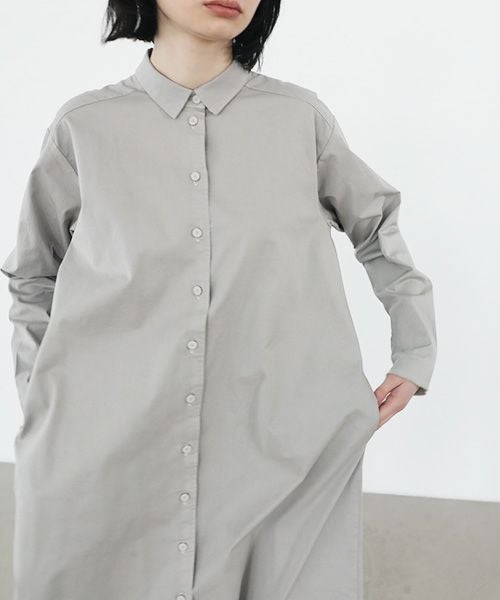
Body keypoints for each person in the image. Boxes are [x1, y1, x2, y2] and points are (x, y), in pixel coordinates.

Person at [1, 1, 437, 598]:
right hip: (107, 457)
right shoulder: (84, 127)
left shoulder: (299, 120)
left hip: (282, 455)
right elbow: (32, 275)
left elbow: (377, 227)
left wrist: (414, 354)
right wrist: (45, 399)